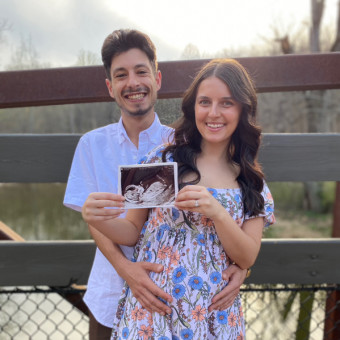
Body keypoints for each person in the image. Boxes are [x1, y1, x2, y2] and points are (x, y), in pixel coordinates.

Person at [64, 29, 247, 339]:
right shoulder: (91, 145)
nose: (133, 83)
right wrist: (127, 271)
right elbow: (95, 221)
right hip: (109, 296)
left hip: (175, 307)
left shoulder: (184, 147)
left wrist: (242, 266)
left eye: (141, 72)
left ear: (157, 79)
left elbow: (225, 203)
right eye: (121, 75)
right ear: (111, 87)